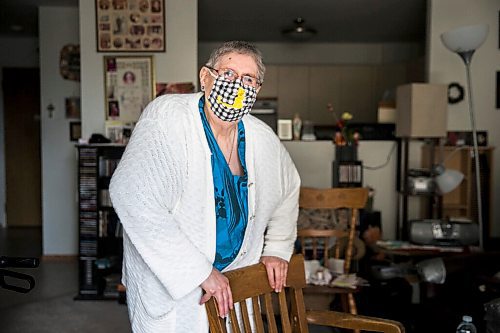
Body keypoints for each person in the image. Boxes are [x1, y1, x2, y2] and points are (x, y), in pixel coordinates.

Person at [109, 41, 300, 332]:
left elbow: (289, 187)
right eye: (228, 74)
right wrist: (198, 272)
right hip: (174, 284)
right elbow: (133, 195)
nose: (237, 86)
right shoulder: (168, 117)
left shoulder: (263, 138)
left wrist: (277, 247)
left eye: (248, 79)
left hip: (235, 282)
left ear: (257, 90)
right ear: (205, 77)